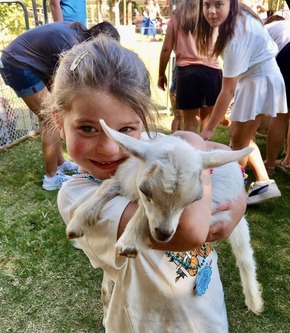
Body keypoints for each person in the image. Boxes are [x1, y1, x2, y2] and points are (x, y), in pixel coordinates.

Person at [43, 35, 247, 332]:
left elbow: (228, 157)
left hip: (206, 313)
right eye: (88, 128)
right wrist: (192, 142)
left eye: (125, 129)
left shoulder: (153, 150)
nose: (110, 148)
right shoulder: (77, 196)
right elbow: (189, 232)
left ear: (145, 122)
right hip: (144, 322)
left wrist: (238, 206)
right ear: (59, 122)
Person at [0, 22, 120, 191]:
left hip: (24, 62)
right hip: (17, 64)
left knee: (56, 114)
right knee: (50, 119)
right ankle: (51, 178)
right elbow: (71, 81)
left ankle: (60, 164)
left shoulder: (79, 37)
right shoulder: (74, 46)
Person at [195, 0, 287, 205]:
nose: (211, 11)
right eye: (206, 5)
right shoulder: (238, 17)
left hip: (259, 81)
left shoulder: (235, 36)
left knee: (237, 144)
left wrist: (208, 130)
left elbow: (227, 90)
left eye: (218, 4)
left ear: (231, 4)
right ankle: (264, 181)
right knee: (239, 136)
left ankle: (232, 196)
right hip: (259, 78)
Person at [158, 0, 222, 133]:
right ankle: (204, 150)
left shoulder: (177, 16)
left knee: (189, 124)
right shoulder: (212, 14)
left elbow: (166, 49)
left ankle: (191, 151)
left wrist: (161, 73)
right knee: (206, 122)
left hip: (187, 73)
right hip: (212, 72)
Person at [263, 18, 290, 175]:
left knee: (281, 114)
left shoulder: (264, 29)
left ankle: (270, 164)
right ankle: (288, 161)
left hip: (287, 55)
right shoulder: (280, 26)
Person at [169, 62, 183, 132]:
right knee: (178, 116)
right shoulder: (181, 64)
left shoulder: (179, 63)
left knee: (180, 116)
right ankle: (173, 133)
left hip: (178, 92)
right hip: (176, 92)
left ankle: (178, 131)